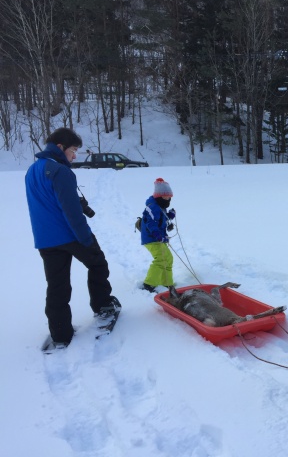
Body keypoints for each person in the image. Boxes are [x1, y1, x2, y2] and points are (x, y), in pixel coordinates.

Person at [25, 128, 121, 348]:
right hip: (70, 234)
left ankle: (60, 333)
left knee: (57, 285)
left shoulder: (32, 170)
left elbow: (47, 203)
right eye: (73, 150)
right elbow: (70, 211)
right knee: (98, 263)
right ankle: (103, 306)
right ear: (60, 147)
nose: (75, 155)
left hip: (46, 240)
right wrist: (86, 238)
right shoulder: (60, 171)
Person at [140, 178, 176, 293]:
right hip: (151, 239)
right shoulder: (152, 207)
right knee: (161, 259)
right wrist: (157, 234)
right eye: (166, 196)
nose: (168, 198)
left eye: (169, 197)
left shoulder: (161, 206)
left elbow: (161, 219)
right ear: (159, 196)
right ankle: (148, 284)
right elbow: (151, 222)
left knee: (168, 259)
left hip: (159, 239)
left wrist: (170, 216)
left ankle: (167, 283)